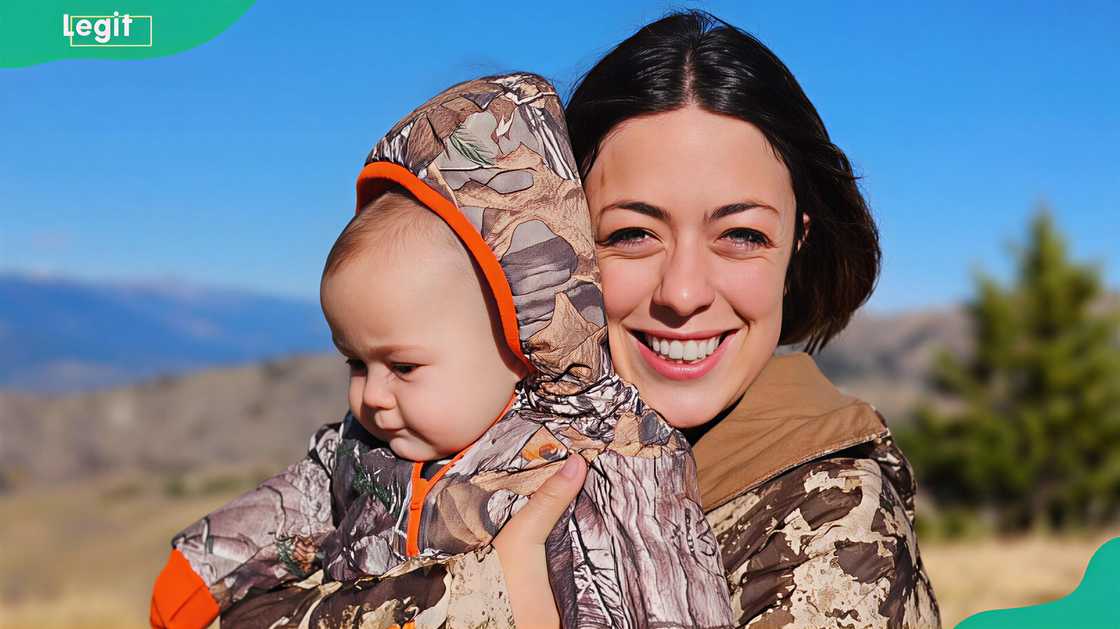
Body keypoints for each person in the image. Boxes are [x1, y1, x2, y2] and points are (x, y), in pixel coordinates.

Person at [224, 9, 943, 628]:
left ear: (798, 240)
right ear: (550, 248)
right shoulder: (435, 430)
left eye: (741, 234)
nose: (683, 292)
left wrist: (498, 604)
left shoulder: (833, 521)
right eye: (631, 233)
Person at [149, 73, 732, 629]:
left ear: (517, 334)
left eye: (403, 366)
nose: (372, 396)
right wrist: (203, 571)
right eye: (357, 363)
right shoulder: (362, 448)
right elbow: (300, 501)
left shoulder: (600, 460)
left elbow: (664, 591)